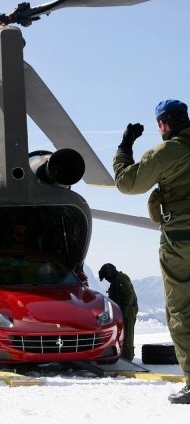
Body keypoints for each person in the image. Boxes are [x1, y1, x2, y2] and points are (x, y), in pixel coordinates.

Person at [113, 99, 190, 404]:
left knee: (182, 312)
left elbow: (127, 182)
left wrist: (125, 145)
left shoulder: (167, 151)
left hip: (181, 241)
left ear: (163, 124)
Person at [99, 263, 138, 361]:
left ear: (110, 273)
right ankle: (122, 354)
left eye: (106, 277)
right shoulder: (116, 281)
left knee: (127, 333)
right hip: (121, 310)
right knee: (121, 333)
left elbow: (129, 295)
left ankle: (127, 356)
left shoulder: (121, 279)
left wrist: (124, 307)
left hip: (128, 310)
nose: (107, 280)